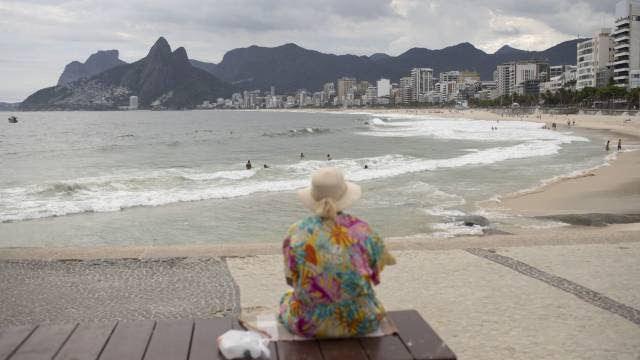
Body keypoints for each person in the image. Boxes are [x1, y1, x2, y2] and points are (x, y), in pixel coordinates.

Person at [278, 167, 395, 338]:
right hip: (362, 320)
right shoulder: (362, 230)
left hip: (309, 323)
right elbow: (374, 273)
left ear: (313, 196)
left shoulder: (297, 232)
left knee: (286, 298)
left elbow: (291, 280)